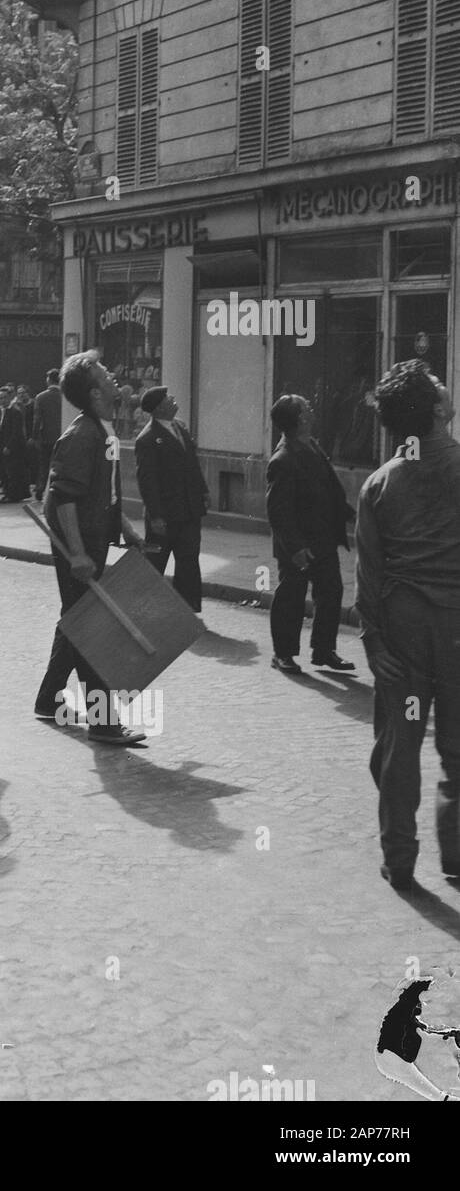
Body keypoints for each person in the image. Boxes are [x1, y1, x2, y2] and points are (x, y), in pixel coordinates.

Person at [356, 360, 460, 892]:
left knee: (400, 746)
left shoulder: (379, 483)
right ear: (438, 411)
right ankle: (457, 854)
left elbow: (368, 576)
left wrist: (373, 641)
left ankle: (399, 857)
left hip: (403, 627)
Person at [31, 350, 148, 746]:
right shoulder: (81, 436)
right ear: (96, 392)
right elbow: (61, 498)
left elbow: (105, 494)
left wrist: (125, 528)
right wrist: (78, 553)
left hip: (95, 543)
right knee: (91, 629)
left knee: (77, 620)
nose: (114, 378)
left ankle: (49, 698)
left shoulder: (102, 430)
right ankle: (104, 722)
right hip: (78, 550)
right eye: (106, 374)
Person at [266, 393, 356, 675]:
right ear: (300, 420)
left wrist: (351, 515)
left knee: (331, 592)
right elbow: (278, 512)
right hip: (299, 545)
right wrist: (295, 548)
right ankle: (283, 654)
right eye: (307, 409)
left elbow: (328, 490)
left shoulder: (311, 446)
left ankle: (324, 650)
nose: (312, 411)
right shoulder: (283, 458)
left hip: (323, 539)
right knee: (291, 598)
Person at [133, 386, 210, 612]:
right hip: (164, 514)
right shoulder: (147, 438)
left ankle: (186, 610)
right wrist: (155, 515)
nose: (173, 399)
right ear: (159, 407)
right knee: (155, 562)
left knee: (188, 560)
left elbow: (192, 464)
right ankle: (142, 609)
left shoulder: (180, 428)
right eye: (168, 397)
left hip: (188, 508)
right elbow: (147, 480)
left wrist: (203, 491)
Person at [30, 368, 62, 502]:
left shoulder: (41, 397)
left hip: (46, 437)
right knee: (59, 464)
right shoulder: (65, 396)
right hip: (61, 436)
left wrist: (34, 436)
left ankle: (40, 489)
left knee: (43, 464)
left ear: (49, 380)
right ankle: (57, 490)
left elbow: (37, 419)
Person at [0, 385, 30, 502]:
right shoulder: (3, 411)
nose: (2, 400)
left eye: (4, 397)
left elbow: (17, 432)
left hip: (13, 448)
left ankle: (13, 495)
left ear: (10, 397)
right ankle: (9, 493)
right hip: (5, 445)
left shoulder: (15, 411)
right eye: (0, 398)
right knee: (7, 471)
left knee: (13, 472)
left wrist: (9, 446)